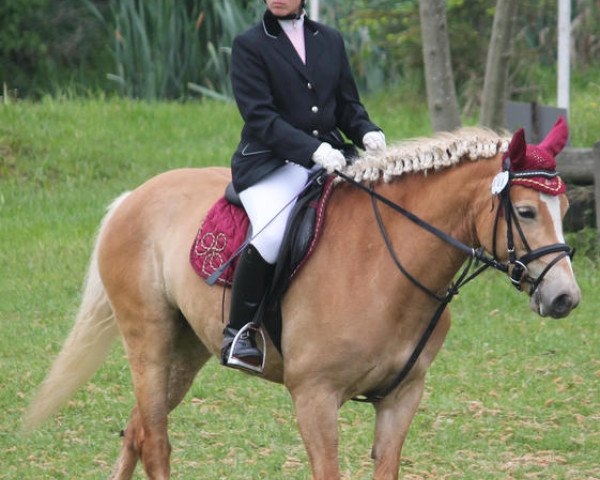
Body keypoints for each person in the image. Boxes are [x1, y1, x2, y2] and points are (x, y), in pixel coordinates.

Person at [222, 0, 386, 372]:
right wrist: (312, 149)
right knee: (272, 234)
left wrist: (367, 131)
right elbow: (260, 117)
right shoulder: (249, 45)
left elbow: (347, 106)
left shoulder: (330, 39)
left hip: (331, 156)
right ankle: (240, 332)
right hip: (270, 161)